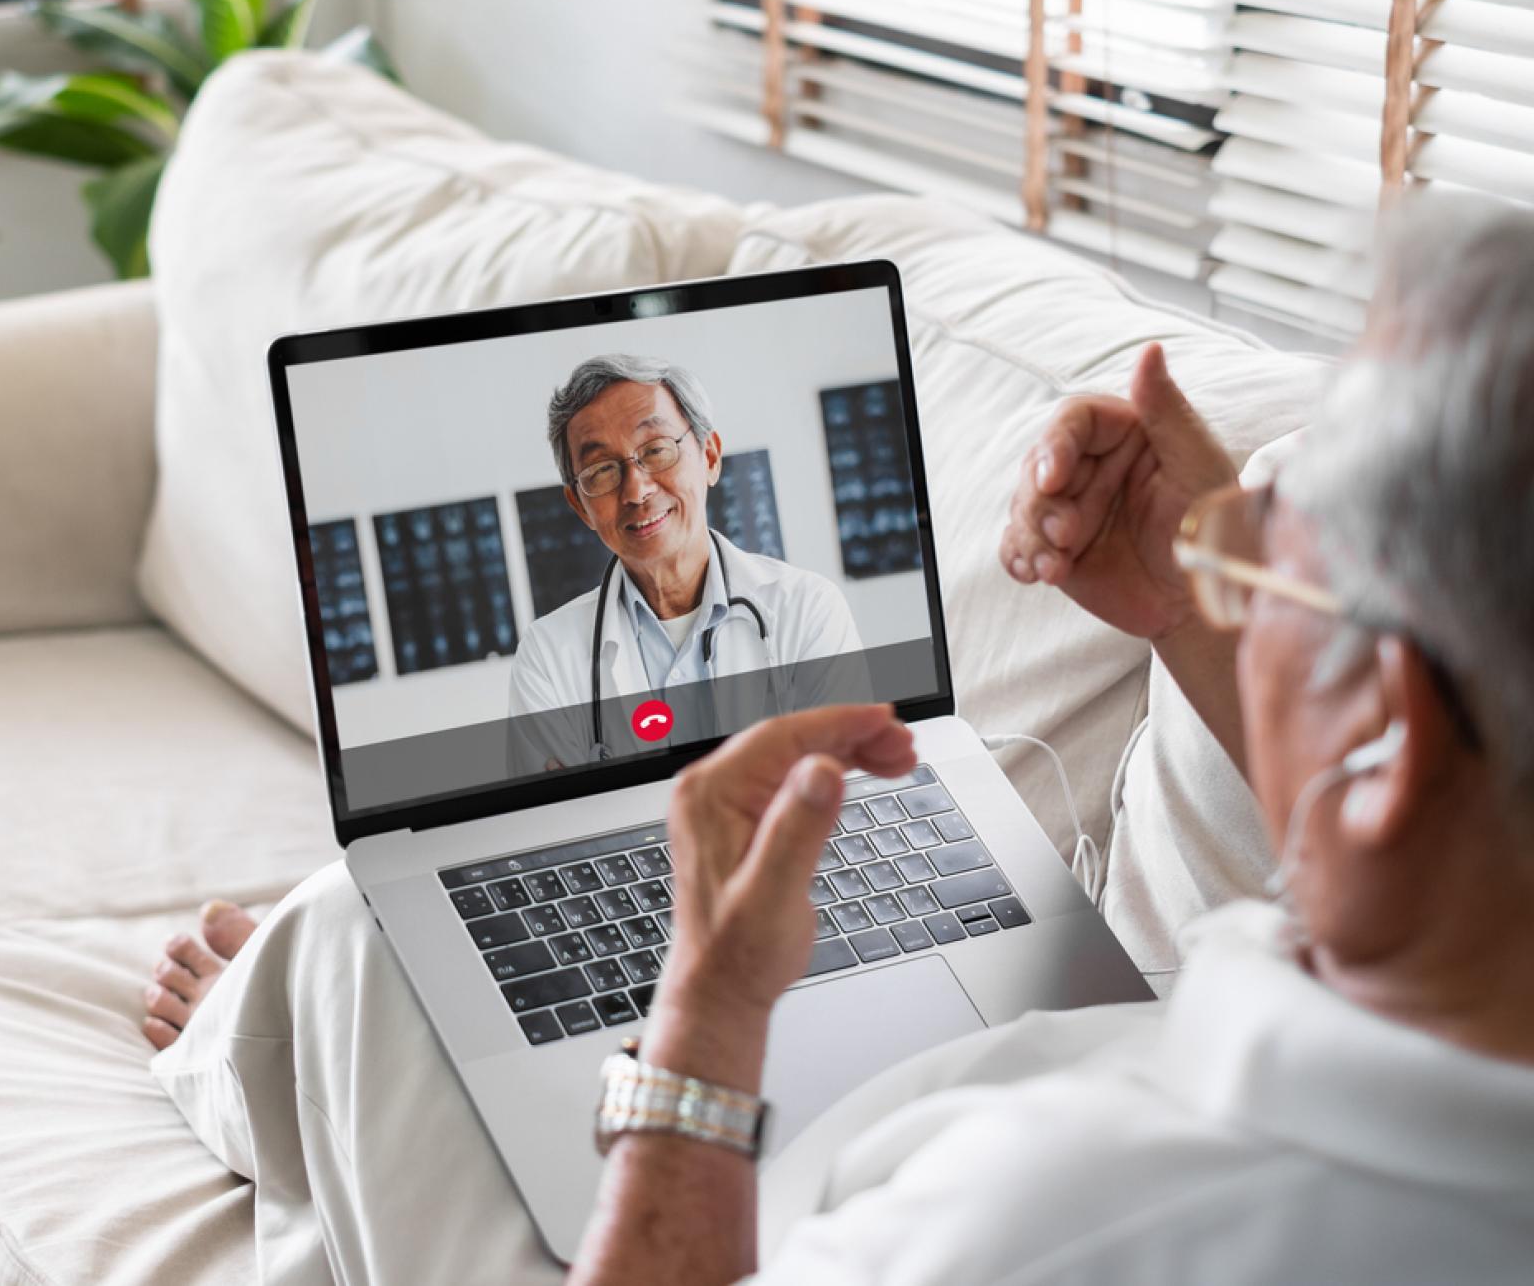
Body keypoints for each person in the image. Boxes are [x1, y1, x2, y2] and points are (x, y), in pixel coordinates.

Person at [141, 200, 1534, 1284]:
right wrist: (1198, 606)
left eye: (1272, 552)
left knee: (349, 942)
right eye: (599, 472)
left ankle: (250, 1050)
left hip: (759, 1175)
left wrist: (704, 1019)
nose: (635, 489)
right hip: (1012, 1047)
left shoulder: (1048, 1227)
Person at [505, 353, 863, 764]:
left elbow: (839, 789)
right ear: (580, 506)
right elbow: (555, 823)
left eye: (656, 451)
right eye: (602, 471)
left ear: (709, 456)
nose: (636, 491)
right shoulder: (547, 655)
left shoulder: (808, 608)